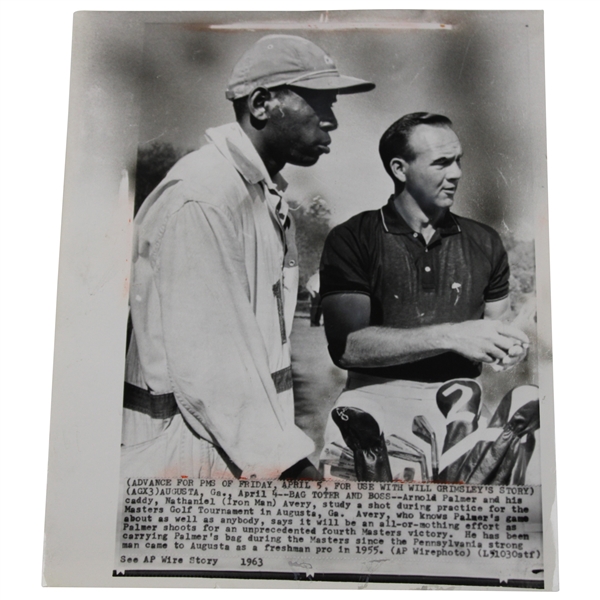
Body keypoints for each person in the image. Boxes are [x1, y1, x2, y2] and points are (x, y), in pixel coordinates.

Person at [120, 34, 375, 481]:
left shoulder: (254, 192)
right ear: (261, 104)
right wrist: (294, 469)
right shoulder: (204, 197)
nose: (331, 121)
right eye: (320, 103)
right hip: (185, 457)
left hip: (230, 451)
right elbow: (213, 373)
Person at [319, 112, 535, 483]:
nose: (457, 174)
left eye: (458, 161)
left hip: (461, 411)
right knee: (368, 533)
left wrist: (507, 347)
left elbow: (495, 326)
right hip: (370, 408)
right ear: (400, 169)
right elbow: (347, 347)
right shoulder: (353, 237)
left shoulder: (485, 241)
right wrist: (452, 335)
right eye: (441, 163)